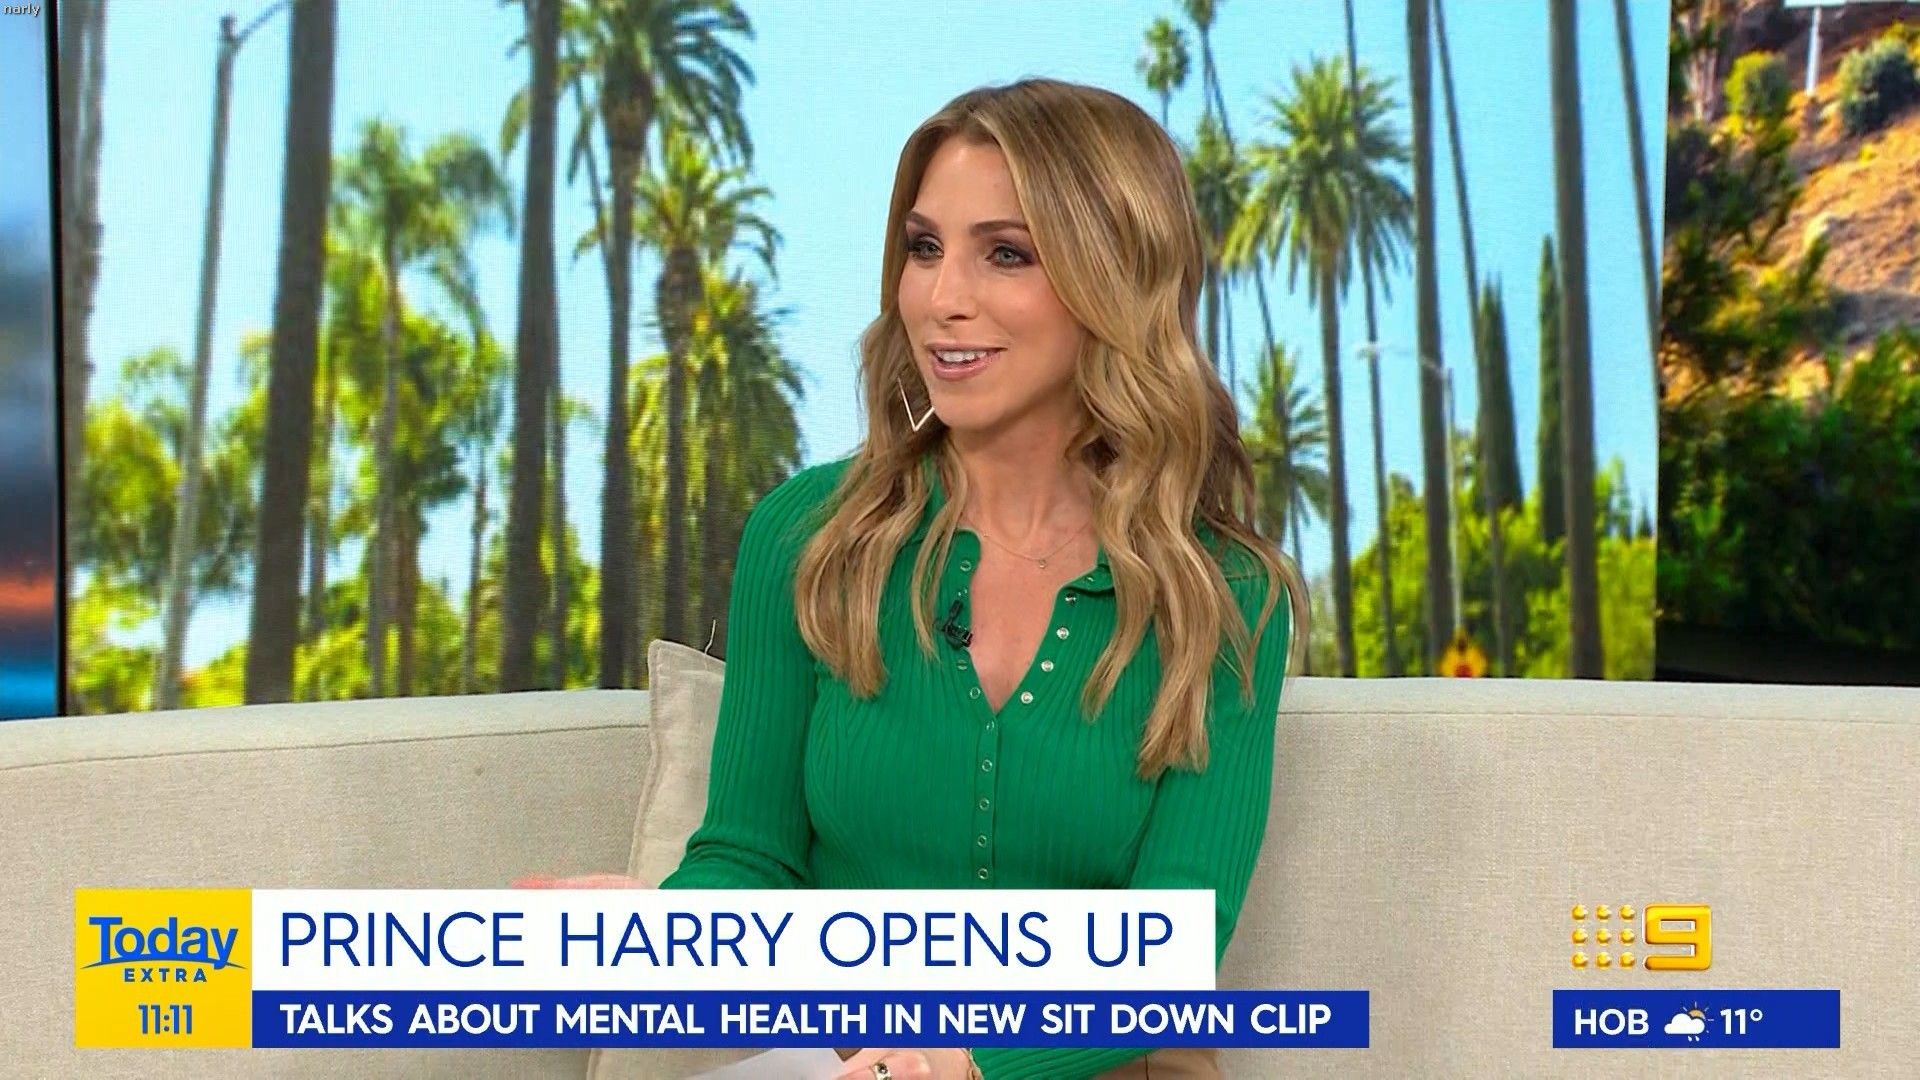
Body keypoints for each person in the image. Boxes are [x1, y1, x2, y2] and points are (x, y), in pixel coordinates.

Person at [522, 77, 1309, 1080]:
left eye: (1006, 254)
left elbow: (1173, 943)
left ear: (1114, 278)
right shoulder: (809, 534)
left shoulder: (1225, 592)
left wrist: (971, 1056)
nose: (942, 298)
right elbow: (751, 857)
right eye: (924, 248)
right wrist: (662, 934)